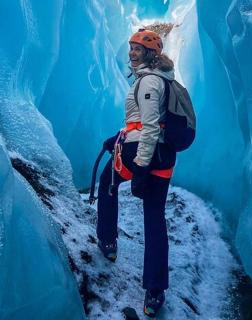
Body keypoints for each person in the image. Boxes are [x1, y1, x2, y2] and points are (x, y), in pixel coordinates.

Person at [97, 28, 176, 318]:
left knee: (107, 183)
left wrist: (141, 167)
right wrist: (117, 135)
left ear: (151, 54)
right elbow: (143, 123)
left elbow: (150, 128)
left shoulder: (148, 82)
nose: (132, 52)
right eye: (131, 47)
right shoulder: (162, 79)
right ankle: (155, 291)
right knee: (154, 217)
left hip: (142, 155)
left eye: (138, 49)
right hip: (163, 157)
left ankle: (107, 239)